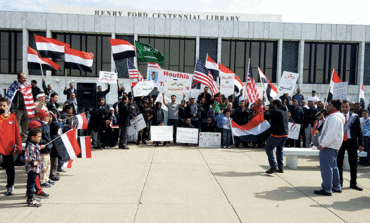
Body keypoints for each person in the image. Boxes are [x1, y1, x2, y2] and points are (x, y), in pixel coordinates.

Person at [314, 99, 344, 196]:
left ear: (335, 107)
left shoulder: (334, 117)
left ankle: (327, 189)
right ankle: (336, 186)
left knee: (327, 168)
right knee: (333, 167)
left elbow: (331, 133)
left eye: (329, 105)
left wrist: (322, 144)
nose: (327, 106)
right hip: (333, 146)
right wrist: (323, 120)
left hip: (329, 146)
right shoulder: (334, 116)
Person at [337, 100, 364, 191]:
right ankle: (339, 183)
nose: (344, 109)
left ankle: (353, 183)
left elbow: (359, 131)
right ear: (341, 108)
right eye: (343, 107)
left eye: (346, 107)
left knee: (353, 163)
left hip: (351, 142)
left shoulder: (354, 117)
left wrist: (361, 144)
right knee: (339, 163)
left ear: (349, 107)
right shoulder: (337, 116)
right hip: (340, 142)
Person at [0, 98, 23, 195]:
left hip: (9, 147)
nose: (1, 107)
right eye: (0, 105)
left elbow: (17, 133)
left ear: (8, 106)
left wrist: (19, 146)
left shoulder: (12, 117)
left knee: (10, 168)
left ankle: (10, 185)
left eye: (3, 105)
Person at [264, 99, 289, 174]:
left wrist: (266, 110)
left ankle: (273, 166)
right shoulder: (285, 111)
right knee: (279, 150)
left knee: (268, 148)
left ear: (275, 105)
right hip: (285, 134)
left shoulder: (276, 111)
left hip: (277, 134)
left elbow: (266, 116)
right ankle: (280, 167)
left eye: (273, 104)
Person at [5, 72, 29, 142]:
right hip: (17, 109)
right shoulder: (14, 86)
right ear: (18, 78)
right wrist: (12, 108)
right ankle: (16, 139)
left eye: (25, 78)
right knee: (16, 125)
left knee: (26, 125)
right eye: (23, 78)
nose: (25, 80)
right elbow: (10, 98)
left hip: (26, 109)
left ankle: (23, 139)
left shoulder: (27, 86)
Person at [24, 128, 44, 207]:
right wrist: (32, 162)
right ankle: (30, 199)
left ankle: (31, 196)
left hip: (36, 169)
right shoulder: (30, 147)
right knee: (31, 185)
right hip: (32, 169)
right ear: (32, 137)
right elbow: (26, 157)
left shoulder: (34, 145)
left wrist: (41, 147)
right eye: (38, 136)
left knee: (33, 184)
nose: (40, 138)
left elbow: (37, 149)